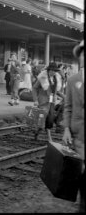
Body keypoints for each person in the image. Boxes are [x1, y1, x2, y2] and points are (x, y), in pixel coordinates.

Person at [62, 40, 84, 213]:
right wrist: (66, 128)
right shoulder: (72, 80)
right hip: (78, 134)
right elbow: (67, 106)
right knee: (81, 173)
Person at [32, 62, 63, 141]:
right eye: (52, 70)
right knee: (42, 120)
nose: (54, 72)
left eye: (55, 71)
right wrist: (35, 100)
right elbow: (34, 88)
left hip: (52, 101)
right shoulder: (42, 77)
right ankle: (37, 132)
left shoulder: (56, 78)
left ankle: (49, 137)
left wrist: (64, 97)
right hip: (43, 101)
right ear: (49, 70)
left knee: (50, 119)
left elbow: (57, 91)